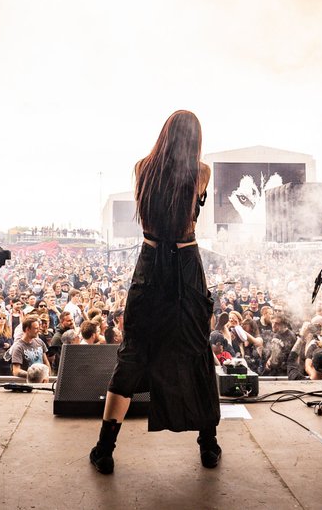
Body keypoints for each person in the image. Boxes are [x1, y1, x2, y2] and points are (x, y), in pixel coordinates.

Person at [89, 110, 220, 475]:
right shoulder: (201, 172)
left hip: (149, 264)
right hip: (185, 264)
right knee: (195, 350)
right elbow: (192, 215)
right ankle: (208, 446)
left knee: (133, 355)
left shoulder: (141, 168)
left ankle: (104, 449)